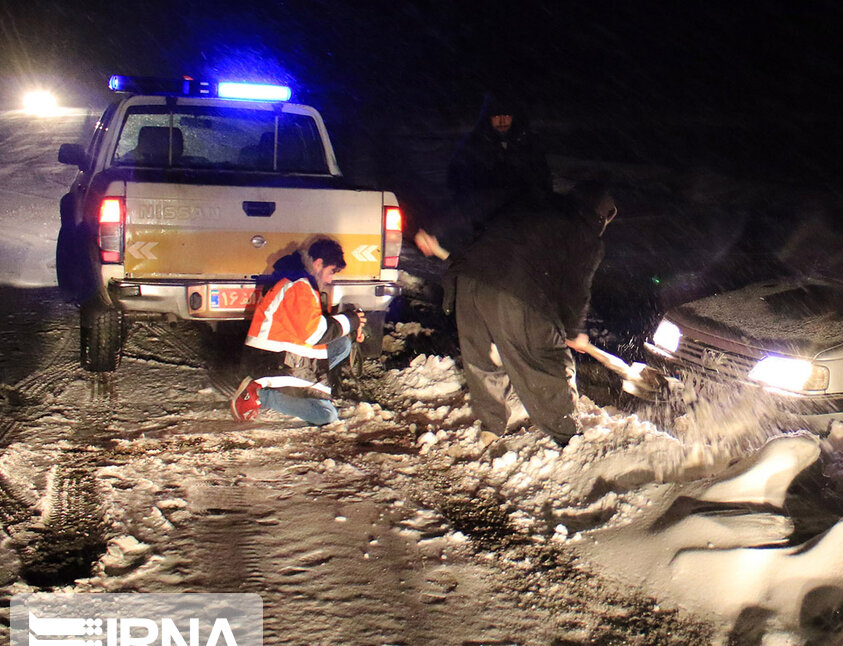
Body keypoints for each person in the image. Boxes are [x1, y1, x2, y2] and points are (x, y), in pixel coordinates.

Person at [413, 182, 617, 446]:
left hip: (469, 281)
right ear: (602, 217)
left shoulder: (533, 204)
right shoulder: (586, 235)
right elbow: (577, 286)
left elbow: (477, 208)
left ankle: (491, 428)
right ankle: (568, 436)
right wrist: (575, 330)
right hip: (516, 292)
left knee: (483, 359)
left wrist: (436, 228)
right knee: (548, 360)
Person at [230, 237, 366, 425]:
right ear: (318, 264)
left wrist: (351, 326)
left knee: (341, 345)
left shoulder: (300, 282)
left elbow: (317, 328)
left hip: (282, 358)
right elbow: (314, 334)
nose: (330, 279)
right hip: (271, 361)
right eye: (331, 272)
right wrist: (351, 321)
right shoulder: (300, 286)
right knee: (325, 414)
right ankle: (260, 395)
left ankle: (289, 394)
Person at [442, 92, 552, 251]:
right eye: (496, 116)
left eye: (506, 116)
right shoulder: (474, 143)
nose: (502, 121)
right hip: (485, 219)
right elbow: (455, 179)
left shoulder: (528, 143)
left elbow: (543, 178)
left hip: (522, 217)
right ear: (488, 118)